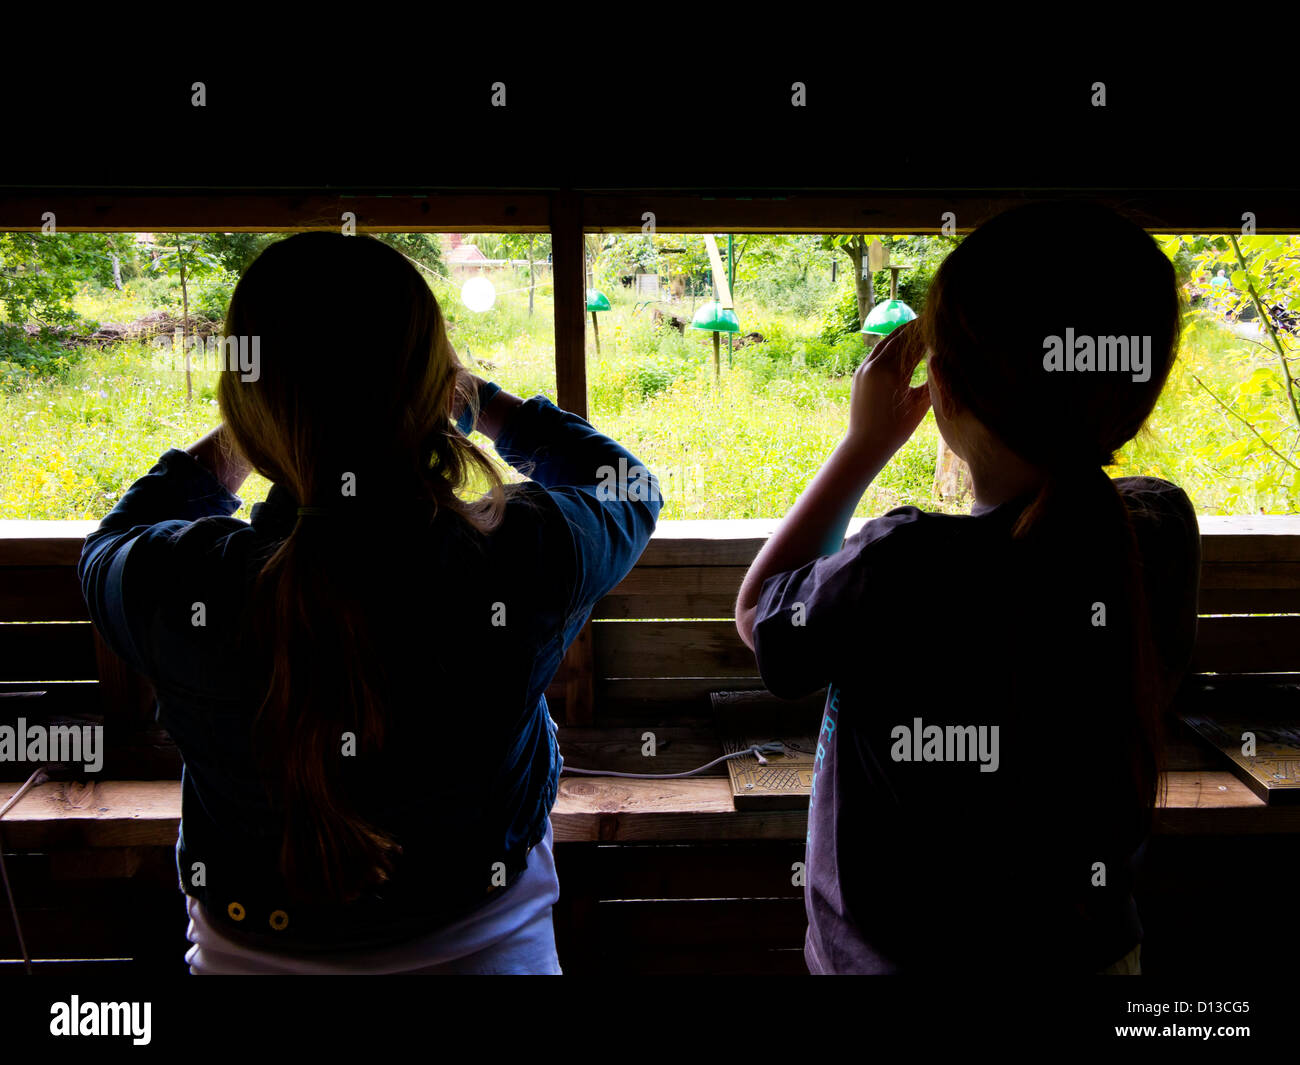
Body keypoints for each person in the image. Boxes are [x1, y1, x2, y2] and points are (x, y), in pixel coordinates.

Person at [79, 232, 661, 974]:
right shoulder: (519, 556)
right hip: (493, 946)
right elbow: (628, 486)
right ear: (434, 389)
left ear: (251, 399)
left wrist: (263, 424)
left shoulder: (182, 584)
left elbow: (109, 545)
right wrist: (477, 403)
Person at [735, 201, 1200, 975]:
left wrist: (864, 444)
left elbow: (762, 614)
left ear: (941, 386)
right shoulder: (1157, 528)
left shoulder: (900, 562)